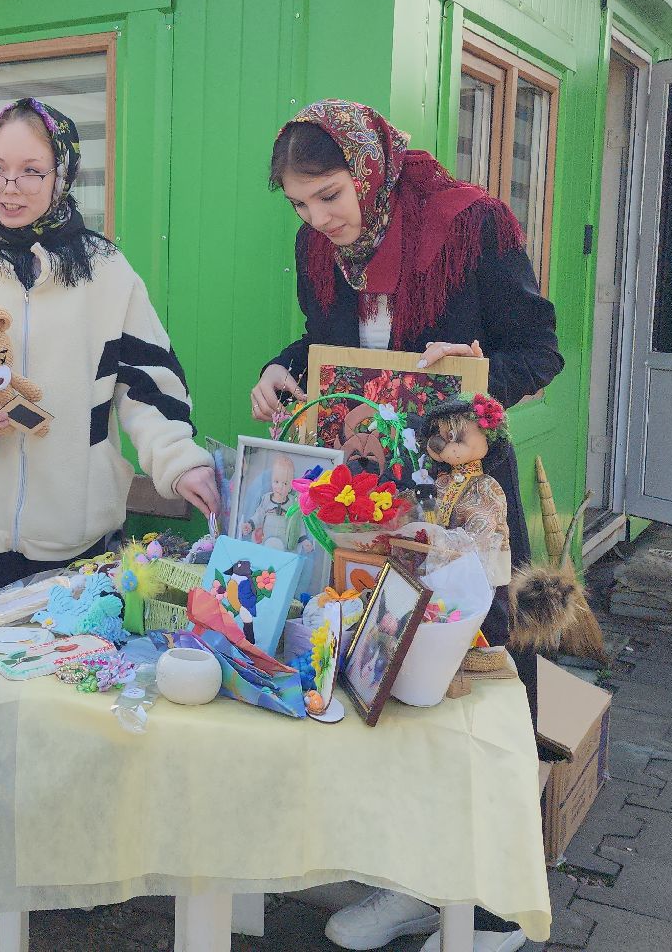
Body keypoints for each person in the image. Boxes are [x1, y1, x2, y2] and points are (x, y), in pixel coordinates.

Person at [0, 98, 219, 944]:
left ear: (64, 173)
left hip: (77, 552)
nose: (11, 186)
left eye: (32, 170)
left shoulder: (109, 277)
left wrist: (181, 466)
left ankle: (67, 872)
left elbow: (146, 397)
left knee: (70, 728)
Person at [250, 100, 562, 952]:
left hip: (466, 500)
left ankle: (495, 903)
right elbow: (324, 340)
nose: (319, 220)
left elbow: (542, 347)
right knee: (390, 671)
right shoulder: (320, 247)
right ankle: (410, 882)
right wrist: (281, 371)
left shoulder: (474, 225)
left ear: (369, 167)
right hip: (374, 499)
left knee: (487, 680)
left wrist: (474, 371)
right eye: (300, 205)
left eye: (330, 196)